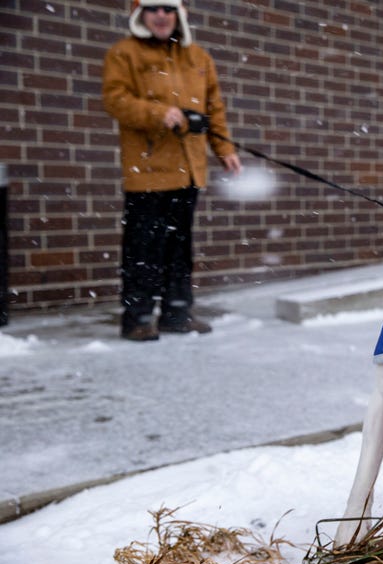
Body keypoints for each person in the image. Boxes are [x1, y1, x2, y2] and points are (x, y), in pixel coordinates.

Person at [102, 0, 242, 341]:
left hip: (189, 171)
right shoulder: (125, 53)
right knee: (143, 249)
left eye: (168, 8)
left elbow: (214, 109)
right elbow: (115, 98)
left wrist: (225, 149)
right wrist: (157, 112)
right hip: (147, 170)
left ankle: (177, 313)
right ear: (141, 15)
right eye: (153, 8)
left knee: (179, 248)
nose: (161, 15)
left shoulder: (198, 57)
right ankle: (136, 319)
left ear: (179, 14)